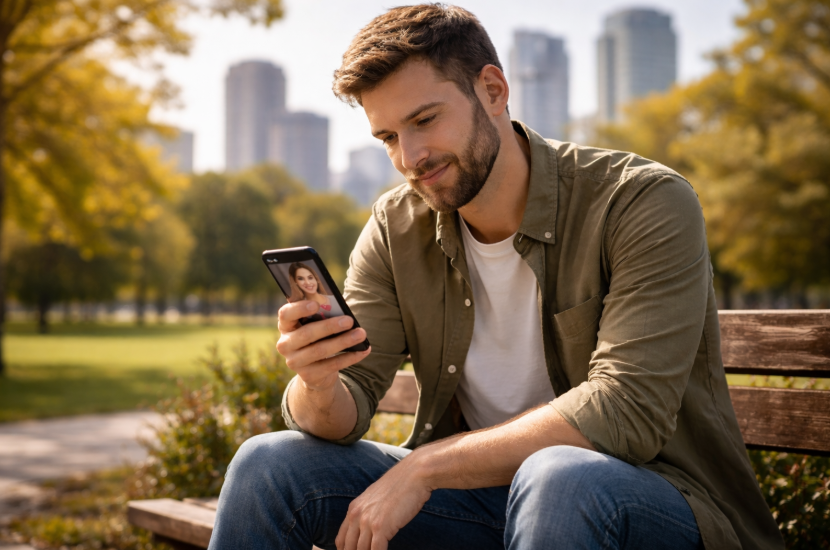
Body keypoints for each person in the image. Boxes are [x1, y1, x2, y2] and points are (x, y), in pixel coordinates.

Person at [209, 5, 783, 550]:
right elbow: (346, 405)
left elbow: (626, 410)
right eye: (388, 138)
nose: (410, 157)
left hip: (655, 502)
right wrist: (318, 383)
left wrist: (426, 466)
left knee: (559, 477)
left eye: (424, 120)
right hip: (482, 506)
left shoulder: (641, 202)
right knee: (269, 464)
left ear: (492, 90)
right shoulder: (396, 225)